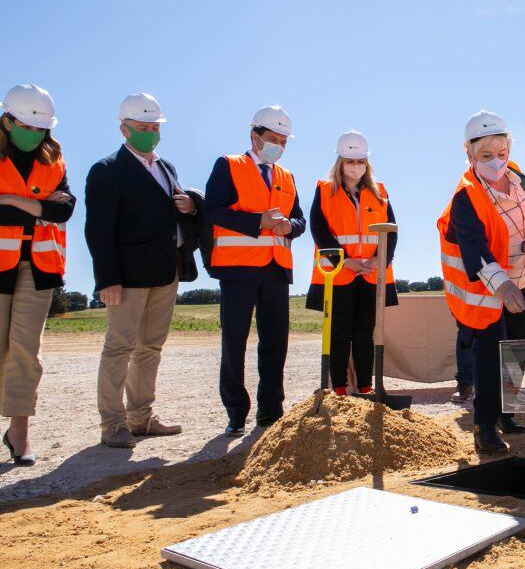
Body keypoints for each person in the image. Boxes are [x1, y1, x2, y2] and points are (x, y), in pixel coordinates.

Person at [85, 93, 203, 448]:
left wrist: (191, 205)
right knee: (119, 348)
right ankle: (113, 425)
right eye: (142, 127)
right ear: (123, 128)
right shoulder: (107, 170)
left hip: (165, 272)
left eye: (154, 127)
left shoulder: (167, 168)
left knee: (150, 348)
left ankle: (141, 418)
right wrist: (107, 279)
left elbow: (173, 212)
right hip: (128, 278)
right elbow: (98, 229)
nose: (149, 133)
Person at [437, 110, 525, 455]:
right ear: (470, 155)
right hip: (486, 288)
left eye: (502, 153)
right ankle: (484, 425)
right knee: (492, 355)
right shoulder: (466, 196)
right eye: (486, 155)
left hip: (519, 280)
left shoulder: (521, 180)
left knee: (519, 346)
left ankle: (507, 414)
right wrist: (502, 284)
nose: (496, 162)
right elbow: (473, 248)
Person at [205, 105, 306, 436]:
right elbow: (213, 211)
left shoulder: (286, 176)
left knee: (275, 341)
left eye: (283, 140)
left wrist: (288, 226)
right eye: (272, 138)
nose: (278, 144)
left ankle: (270, 409)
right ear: (254, 136)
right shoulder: (229, 166)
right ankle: (236, 411)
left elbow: (300, 220)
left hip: (276, 270)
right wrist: (257, 222)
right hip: (238, 269)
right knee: (234, 342)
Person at [0, 84, 74, 466]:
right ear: (8, 120)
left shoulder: (54, 161)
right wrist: (37, 206)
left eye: (40, 128)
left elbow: (63, 211)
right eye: (28, 127)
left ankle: (19, 432)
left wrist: (11, 200)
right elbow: (48, 208)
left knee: (26, 353)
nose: (35, 135)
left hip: (39, 267)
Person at [305, 130, 398, 396]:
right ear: (340, 163)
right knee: (339, 332)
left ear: (366, 164)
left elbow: (392, 230)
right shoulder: (324, 191)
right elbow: (319, 230)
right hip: (339, 274)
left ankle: (366, 386)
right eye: (349, 161)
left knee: (365, 332)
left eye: (359, 162)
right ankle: (340, 388)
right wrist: (346, 262)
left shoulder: (380, 192)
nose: (355, 167)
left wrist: (381, 259)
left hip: (371, 274)